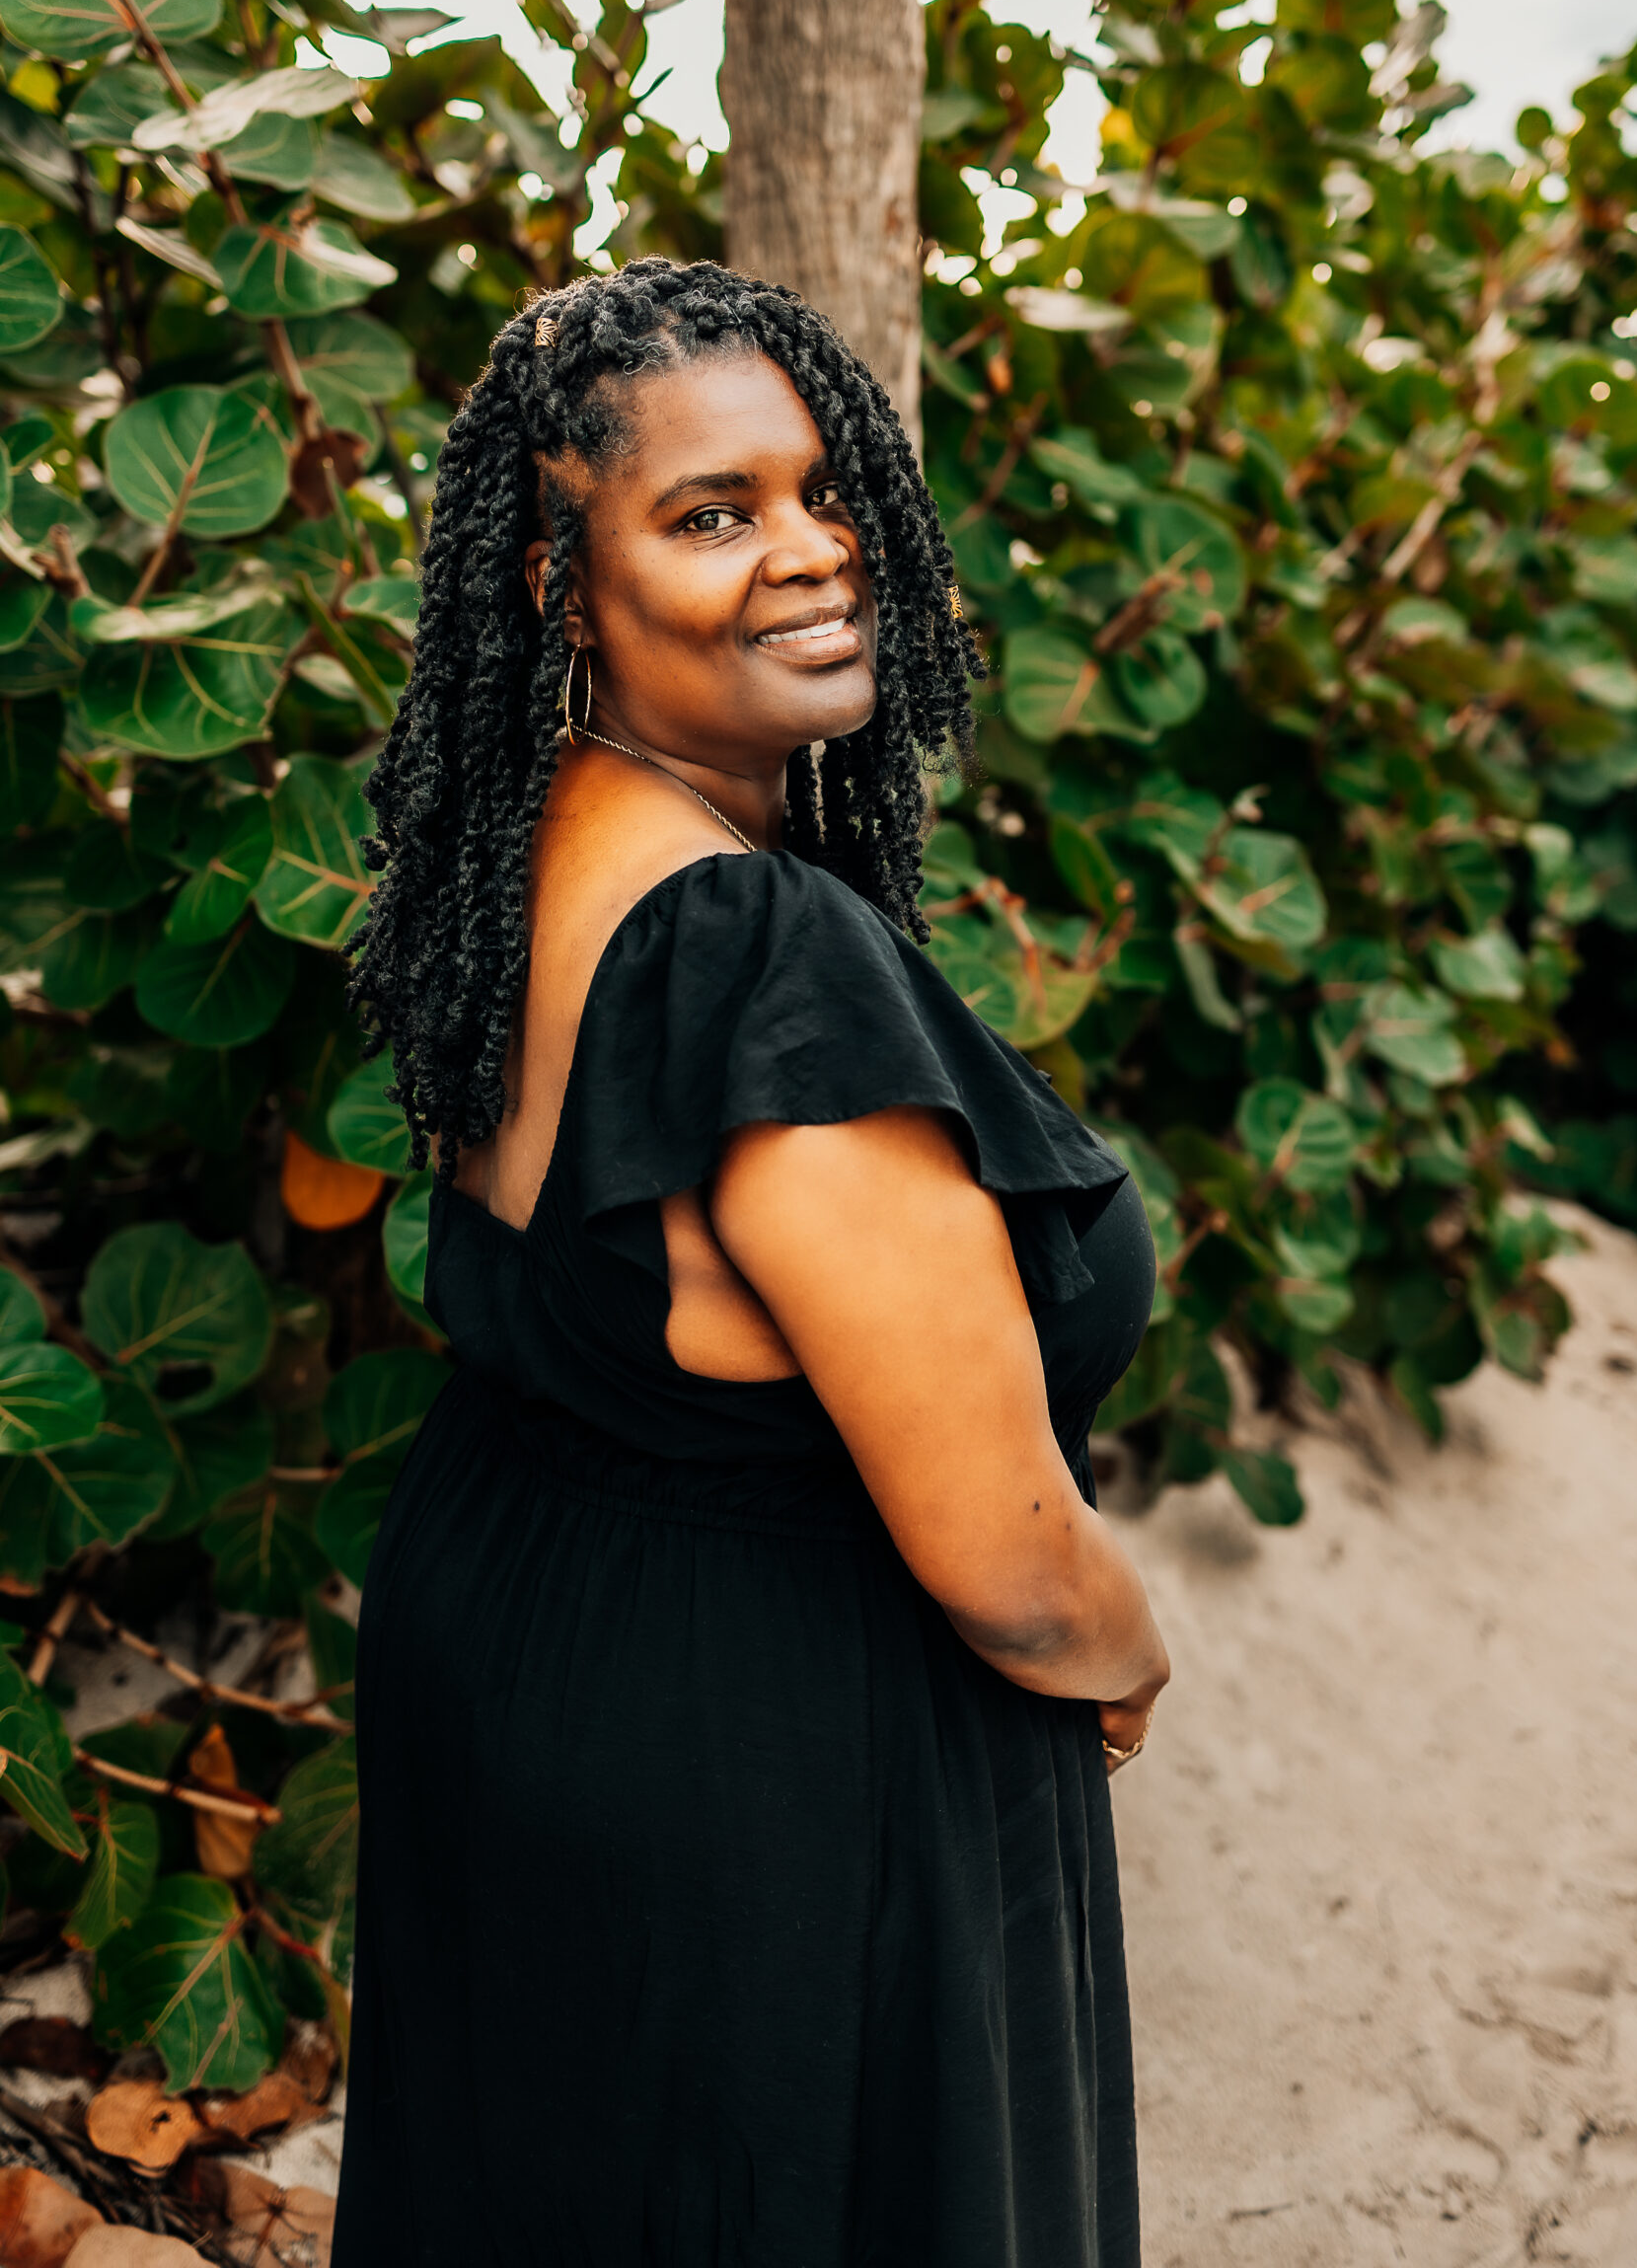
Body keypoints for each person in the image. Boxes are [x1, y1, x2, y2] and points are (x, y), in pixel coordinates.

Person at [336, 258, 1168, 2267]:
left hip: (521, 1635)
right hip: (750, 1747)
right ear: (559, 586)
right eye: (710, 513)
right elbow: (998, 1553)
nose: (810, 552)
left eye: (820, 489)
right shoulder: (750, 957)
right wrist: (1120, 1647)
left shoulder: (519, 856)